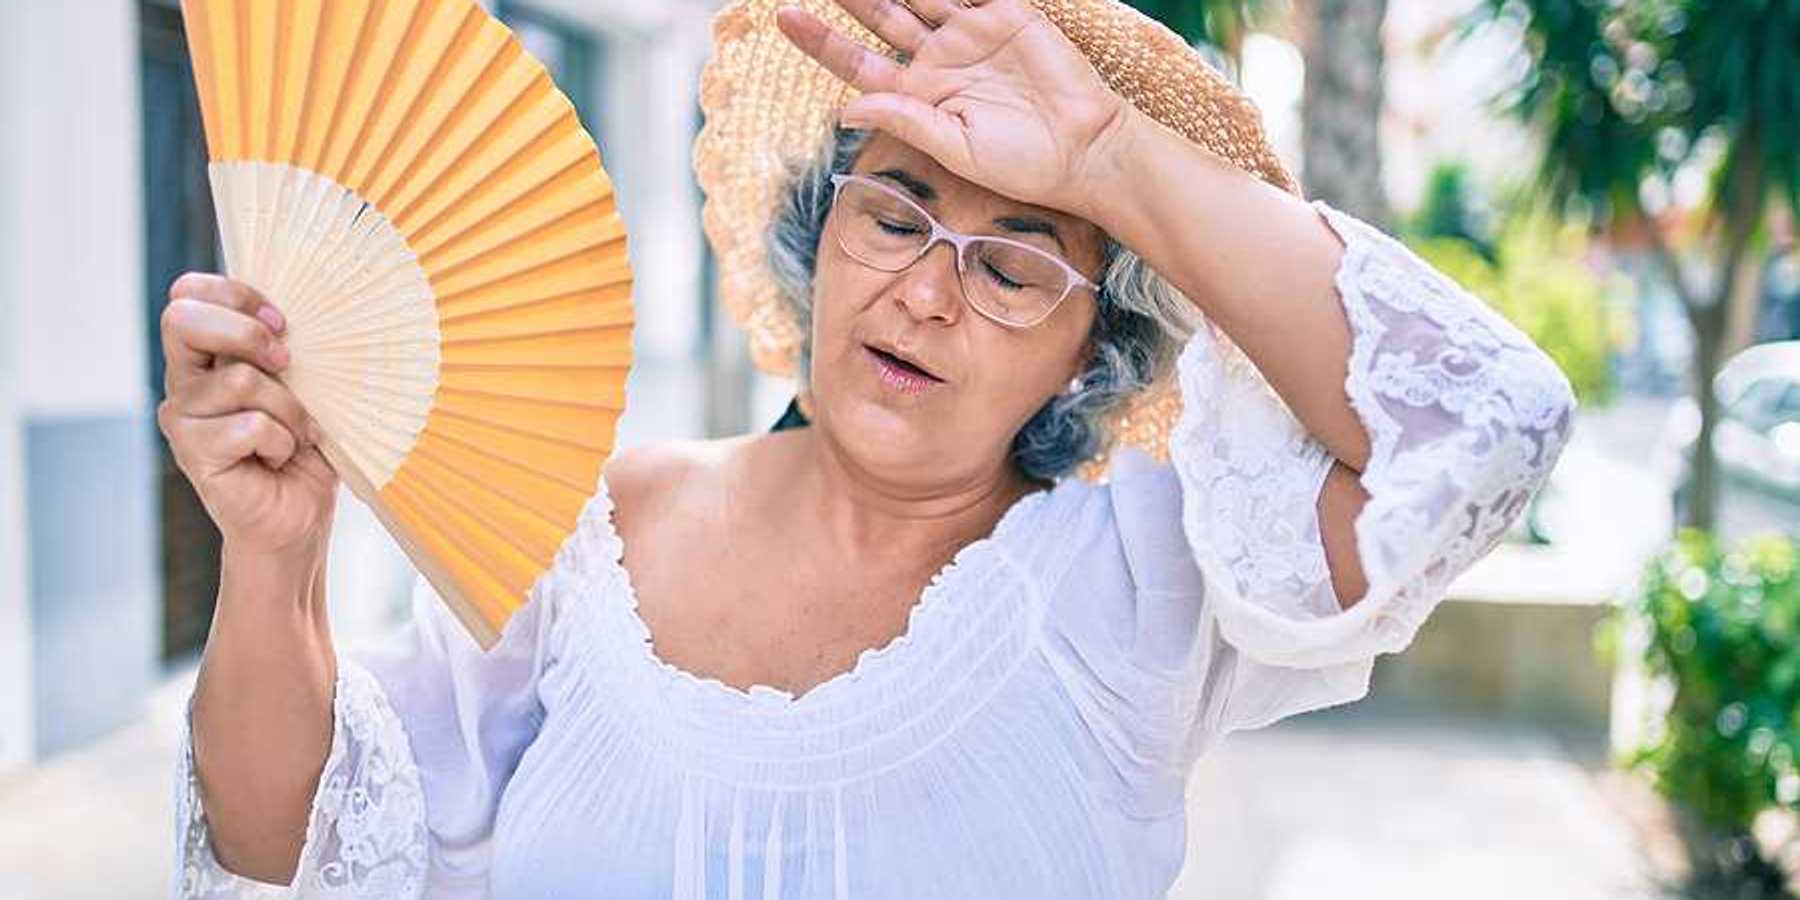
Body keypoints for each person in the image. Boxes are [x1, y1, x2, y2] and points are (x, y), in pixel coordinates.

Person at [162, 0, 1577, 896]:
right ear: (818, 235)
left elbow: (1485, 425)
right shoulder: (588, 527)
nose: (927, 291)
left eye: (1015, 265)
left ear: (1094, 347)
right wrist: (273, 561)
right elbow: (298, 857)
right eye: (896, 214)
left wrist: (1108, 162)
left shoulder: (1141, 586)